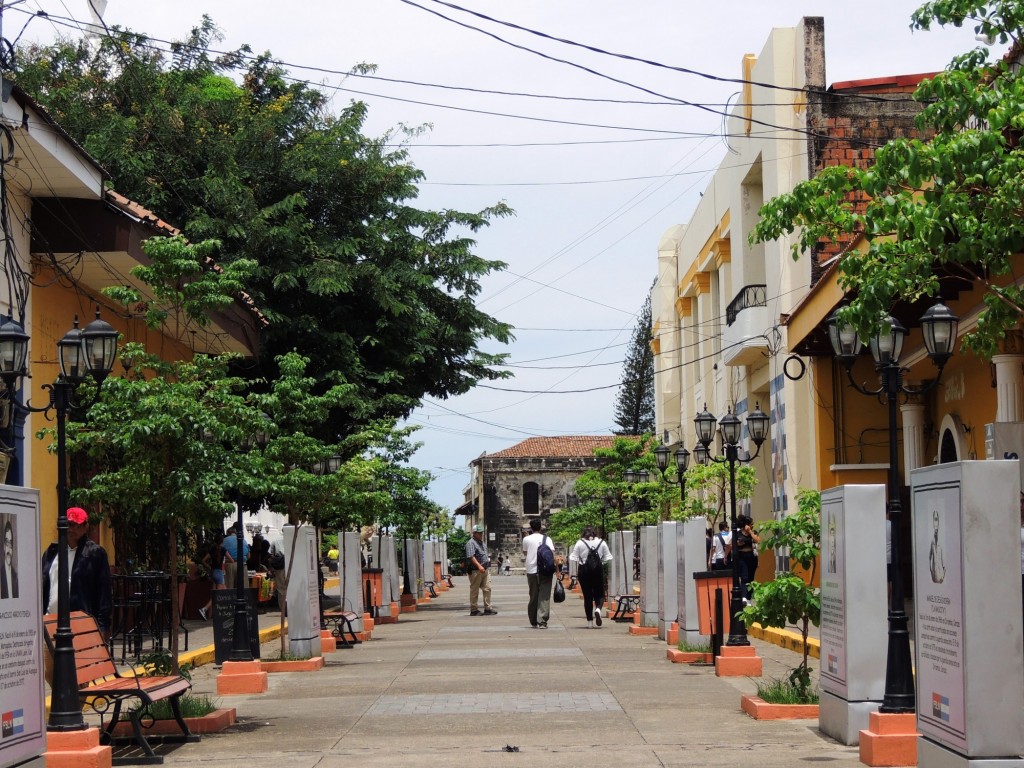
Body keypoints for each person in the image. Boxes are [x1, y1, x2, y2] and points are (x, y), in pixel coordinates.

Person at [41, 507, 112, 638]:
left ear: (86, 527)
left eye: (76, 525)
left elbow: (104, 592)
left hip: (81, 625)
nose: (71, 529)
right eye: (68, 524)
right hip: (50, 623)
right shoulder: (51, 552)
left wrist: (103, 626)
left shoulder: (95, 554)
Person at [569, 526, 612, 628]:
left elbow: (573, 557)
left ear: (584, 534)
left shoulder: (580, 542)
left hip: (584, 571)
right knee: (600, 594)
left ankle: (589, 623)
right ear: (594, 533)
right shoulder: (601, 542)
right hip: (597, 570)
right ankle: (598, 609)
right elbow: (607, 558)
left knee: (587, 596)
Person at [522, 518, 555, 628]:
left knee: (533, 595)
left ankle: (533, 620)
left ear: (531, 528)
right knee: (544, 596)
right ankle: (542, 621)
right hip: (545, 571)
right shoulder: (547, 539)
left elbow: (525, 553)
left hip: (531, 571)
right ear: (540, 527)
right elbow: (552, 555)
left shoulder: (526, 539)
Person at [199, 531, 231, 620]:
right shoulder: (223, 549)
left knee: (224, 591)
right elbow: (231, 560)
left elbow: (203, 560)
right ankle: (204, 608)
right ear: (222, 541)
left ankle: (223, 612)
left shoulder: (212, 549)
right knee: (218, 594)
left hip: (213, 571)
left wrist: (208, 566)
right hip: (219, 572)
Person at [465, 524, 496, 616]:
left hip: (485, 569)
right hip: (475, 570)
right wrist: (479, 566)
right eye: (479, 533)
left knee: (487, 588)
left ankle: (488, 608)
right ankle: (474, 609)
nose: (481, 534)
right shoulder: (471, 543)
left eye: (481, 533)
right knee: (474, 590)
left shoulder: (482, 543)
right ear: (474, 533)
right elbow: (471, 556)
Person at [734, 515, 760, 600]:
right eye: (751, 524)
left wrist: (750, 532)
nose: (752, 525)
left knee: (751, 578)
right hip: (742, 557)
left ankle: (749, 598)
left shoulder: (753, 532)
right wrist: (738, 544)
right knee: (744, 577)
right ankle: (744, 597)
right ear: (746, 524)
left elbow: (758, 540)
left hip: (752, 557)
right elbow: (732, 544)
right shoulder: (738, 533)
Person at [222, 524, 249, 589]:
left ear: (228, 533)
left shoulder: (224, 540)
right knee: (243, 588)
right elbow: (249, 555)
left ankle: (231, 599)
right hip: (242, 564)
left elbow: (221, 552)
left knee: (230, 587)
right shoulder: (243, 540)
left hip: (230, 564)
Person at [1, 518, 17, 599]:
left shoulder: (15, 576)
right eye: (7, 543)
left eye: (10, 544)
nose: (9, 550)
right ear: (4, 546)